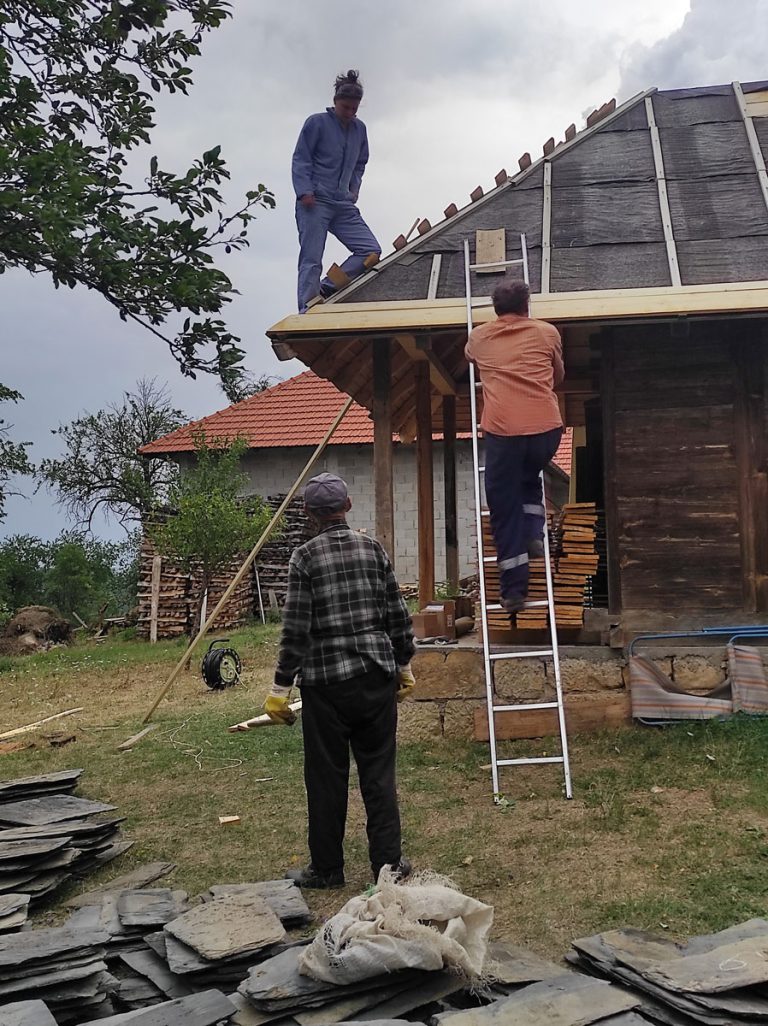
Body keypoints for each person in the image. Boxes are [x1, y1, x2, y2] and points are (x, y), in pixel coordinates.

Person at [263, 472, 415, 889]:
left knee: (326, 777)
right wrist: (403, 665)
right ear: (348, 506)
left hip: (326, 687)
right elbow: (397, 615)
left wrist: (280, 689)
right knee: (379, 775)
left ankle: (327, 869)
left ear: (311, 514)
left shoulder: (305, 558)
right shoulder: (373, 549)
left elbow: (296, 630)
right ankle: (389, 869)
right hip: (375, 677)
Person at [465, 278, 564, 613]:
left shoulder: (478, 337)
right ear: (527, 305)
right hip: (546, 430)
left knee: (504, 507)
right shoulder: (548, 333)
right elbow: (558, 376)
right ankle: (534, 533)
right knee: (528, 477)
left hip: (505, 432)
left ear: (495, 309)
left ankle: (513, 592)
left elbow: (469, 357)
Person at [292, 70, 381, 313]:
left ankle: (326, 288)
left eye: (355, 108)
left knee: (370, 250)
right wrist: (304, 191)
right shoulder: (316, 122)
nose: (350, 113)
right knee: (312, 258)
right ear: (335, 102)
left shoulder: (359, 130)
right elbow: (301, 158)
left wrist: (354, 188)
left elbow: (361, 162)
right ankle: (307, 309)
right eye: (346, 108)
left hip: (342, 202)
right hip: (315, 200)